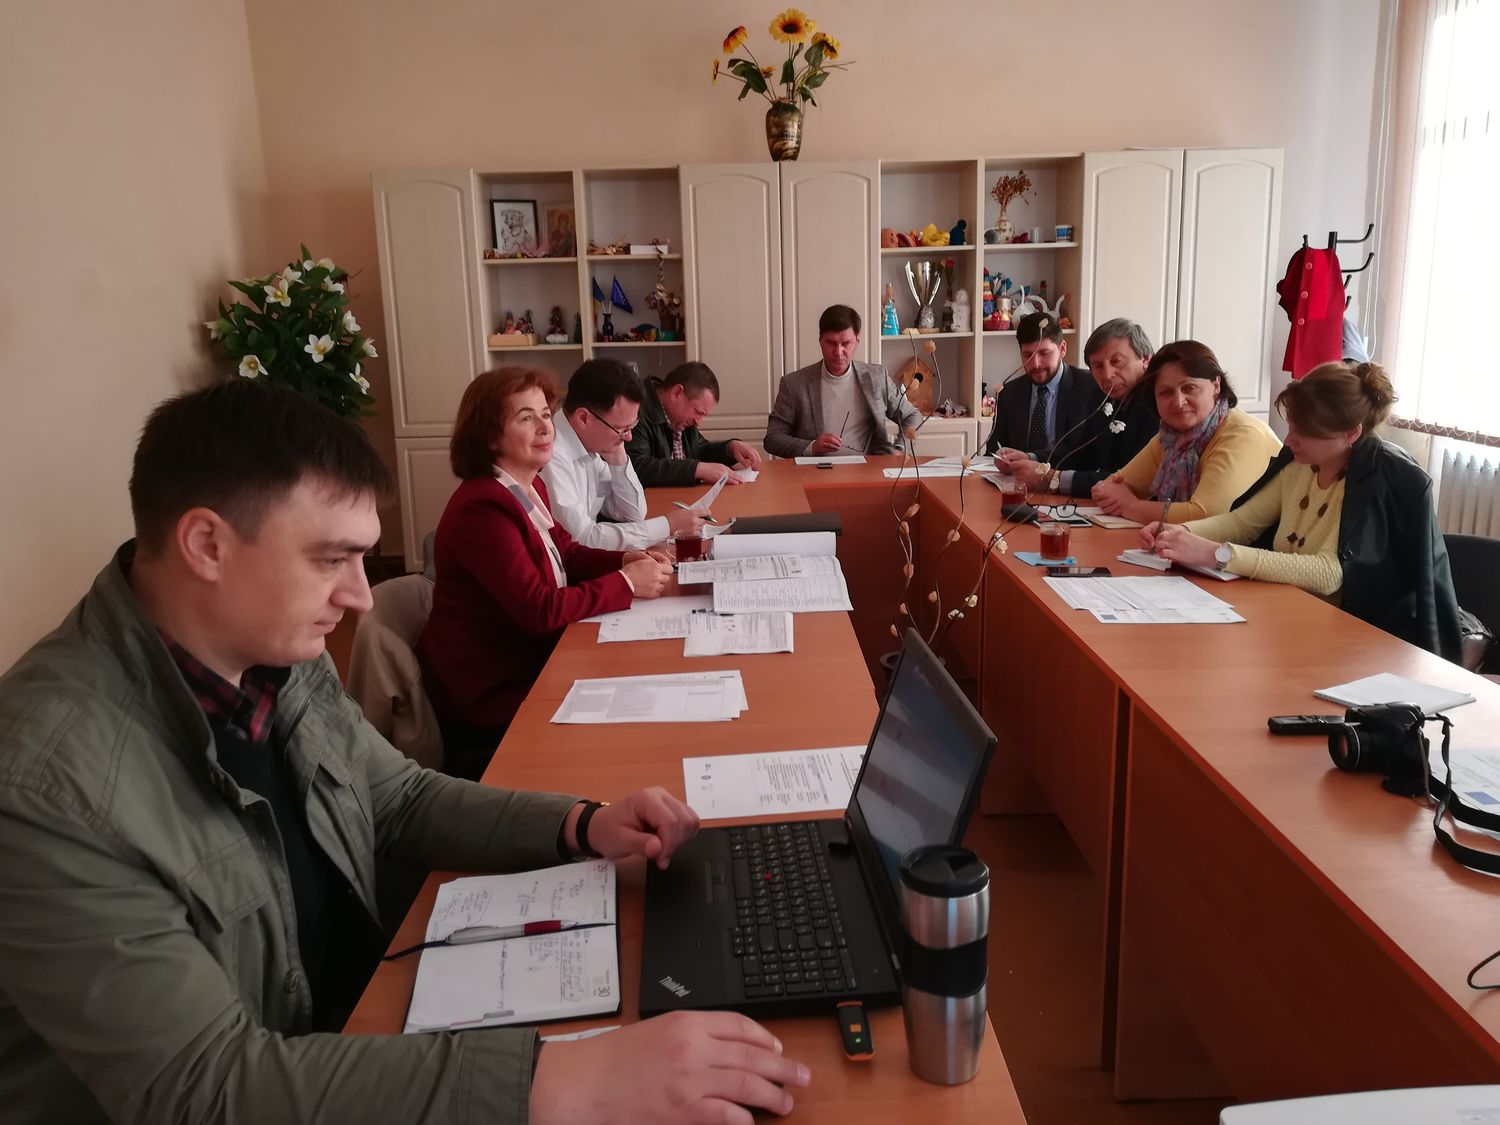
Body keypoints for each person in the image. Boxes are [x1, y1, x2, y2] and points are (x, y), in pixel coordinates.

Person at [0, 378, 810, 1124]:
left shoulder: (272, 652)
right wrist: (564, 1079)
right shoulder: (43, 785)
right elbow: (204, 1088)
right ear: (206, 544)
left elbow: (401, 798)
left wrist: (581, 824)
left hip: (361, 1030)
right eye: (330, 558)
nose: (360, 594)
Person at [418, 367, 674, 778]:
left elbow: (566, 552)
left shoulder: (526, 486)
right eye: (526, 417)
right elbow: (539, 610)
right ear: (488, 435)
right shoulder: (483, 507)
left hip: (538, 663)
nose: (545, 427)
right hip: (497, 697)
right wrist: (627, 583)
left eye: (544, 414)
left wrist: (626, 560)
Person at [1144, 361, 1462, 660]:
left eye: (1304, 433)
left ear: (1351, 434)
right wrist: (1179, 533)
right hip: (1289, 619)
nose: (1289, 439)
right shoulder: (1301, 465)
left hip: (1351, 643)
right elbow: (1243, 522)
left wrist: (1219, 554)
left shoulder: (1375, 484)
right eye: (1292, 426)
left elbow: (1330, 573)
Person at [1091, 339, 1282, 524]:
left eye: (1189, 388)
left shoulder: (1243, 435)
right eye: (1166, 392)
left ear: (1216, 385)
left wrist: (1130, 506)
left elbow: (1205, 515)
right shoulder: (1172, 437)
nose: (1178, 402)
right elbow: (1114, 485)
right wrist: (1113, 494)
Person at [542, 358, 713, 549]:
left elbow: (632, 514)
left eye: (631, 426)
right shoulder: (550, 455)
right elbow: (580, 539)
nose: (629, 437)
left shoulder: (590, 442)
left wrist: (618, 456)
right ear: (583, 418)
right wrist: (668, 525)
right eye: (622, 428)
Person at [998, 317, 1158, 496]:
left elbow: (1130, 479)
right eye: (1098, 365)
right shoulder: (1104, 397)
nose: (1107, 375)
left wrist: (1052, 479)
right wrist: (1031, 458)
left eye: (1116, 362)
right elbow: (1082, 452)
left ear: (1145, 359)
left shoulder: (1157, 406)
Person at [763, 304, 921, 458]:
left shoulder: (877, 378)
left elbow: (911, 415)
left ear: (857, 341)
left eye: (846, 343)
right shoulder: (794, 384)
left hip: (868, 469)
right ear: (820, 341)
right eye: (831, 343)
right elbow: (773, 438)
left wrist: (900, 450)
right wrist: (812, 447)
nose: (838, 352)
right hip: (813, 470)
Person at [983, 312, 1097, 468]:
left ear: (1062, 349)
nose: (1035, 364)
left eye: (1044, 353)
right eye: (1028, 355)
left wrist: (1032, 458)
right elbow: (993, 450)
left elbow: (1085, 453)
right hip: (1016, 479)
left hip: (1065, 478)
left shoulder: (1089, 387)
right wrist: (1000, 458)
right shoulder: (1009, 393)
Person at [626, 360, 762, 487]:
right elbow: (636, 467)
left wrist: (730, 448)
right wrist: (697, 469)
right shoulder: (635, 411)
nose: (698, 422)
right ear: (677, 393)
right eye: (698, 412)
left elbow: (699, 450)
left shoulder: (679, 418)